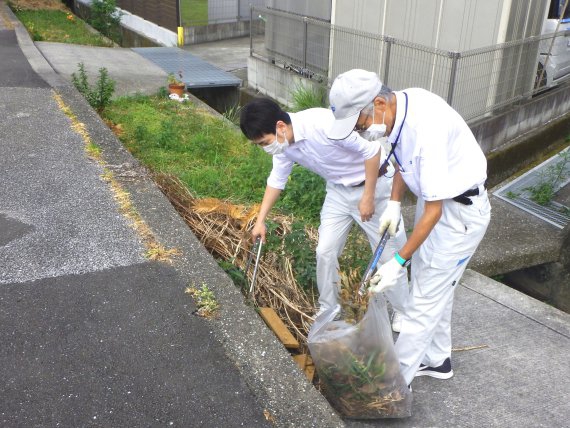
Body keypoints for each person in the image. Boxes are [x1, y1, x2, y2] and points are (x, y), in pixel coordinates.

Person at [327, 69, 491, 386]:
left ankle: (391, 388)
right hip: (442, 205)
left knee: (422, 303)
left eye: (360, 125)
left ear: (377, 102)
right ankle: (437, 360)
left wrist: (398, 261)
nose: (361, 132)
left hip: (460, 215)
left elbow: (432, 211)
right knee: (431, 287)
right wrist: (394, 202)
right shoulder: (402, 106)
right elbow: (402, 159)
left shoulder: (425, 128)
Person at [239, 98, 409, 328]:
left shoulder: (323, 124)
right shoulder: (283, 145)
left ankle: (403, 311)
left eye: (264, 142)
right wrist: (260, 221)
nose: (265, 148)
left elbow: (373, 152)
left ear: (280, 126)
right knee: (325, 251)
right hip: (338, 191)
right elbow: (276, 180)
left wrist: (368, 197)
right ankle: (330, 309)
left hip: (375, 186)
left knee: (390, 255)